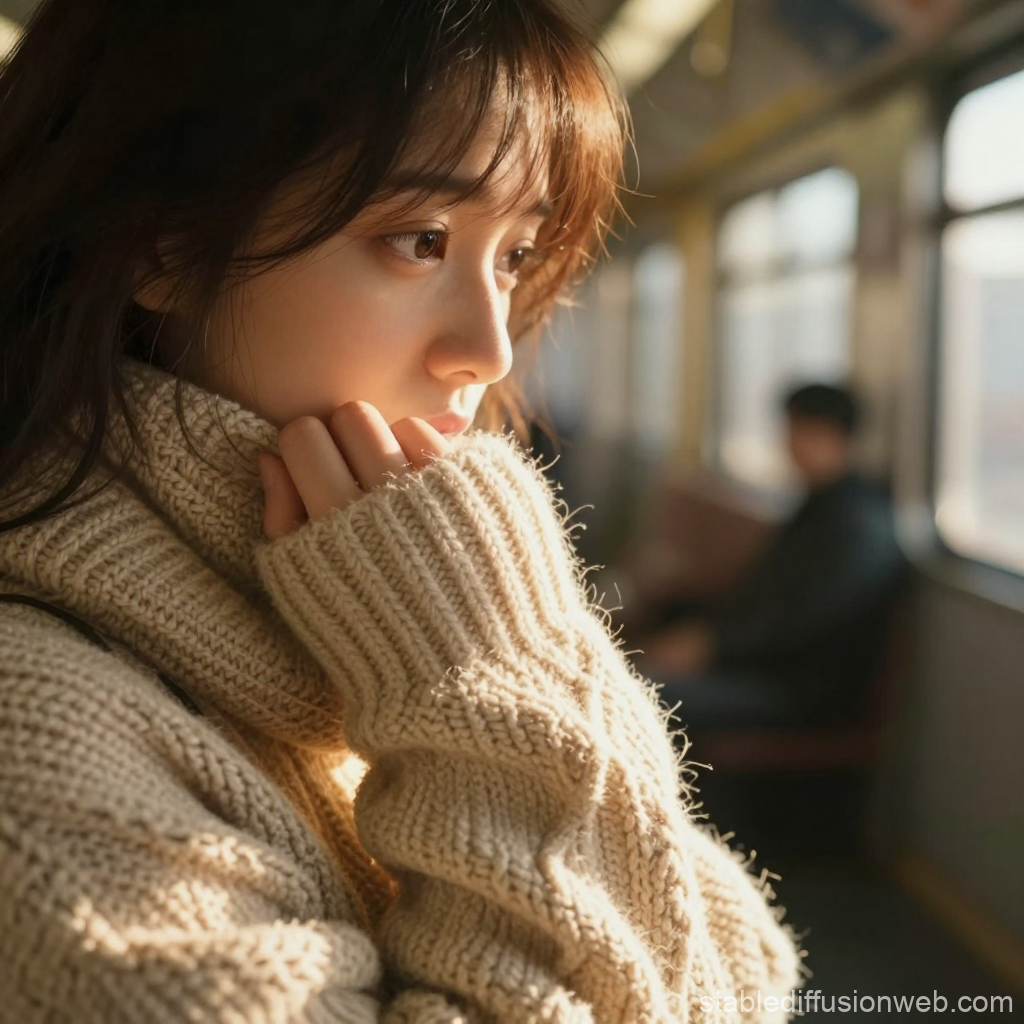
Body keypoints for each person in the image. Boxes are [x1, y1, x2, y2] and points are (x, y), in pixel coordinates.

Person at [0, 2, 800, 1021]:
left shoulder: (371, 619)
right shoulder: (33, 736)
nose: (492, 347)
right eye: (421, 240)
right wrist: (492, 673)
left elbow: (736, 964)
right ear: (162, 243)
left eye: (513, 257)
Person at [640, 384, 907, 733]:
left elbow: (807, 620)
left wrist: (714, 647)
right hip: (763, 667)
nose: (790, 442)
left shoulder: (857, 524)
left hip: (799, 688)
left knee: (641, 696)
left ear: (833, 435)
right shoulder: (820, 506)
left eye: (800, 430)